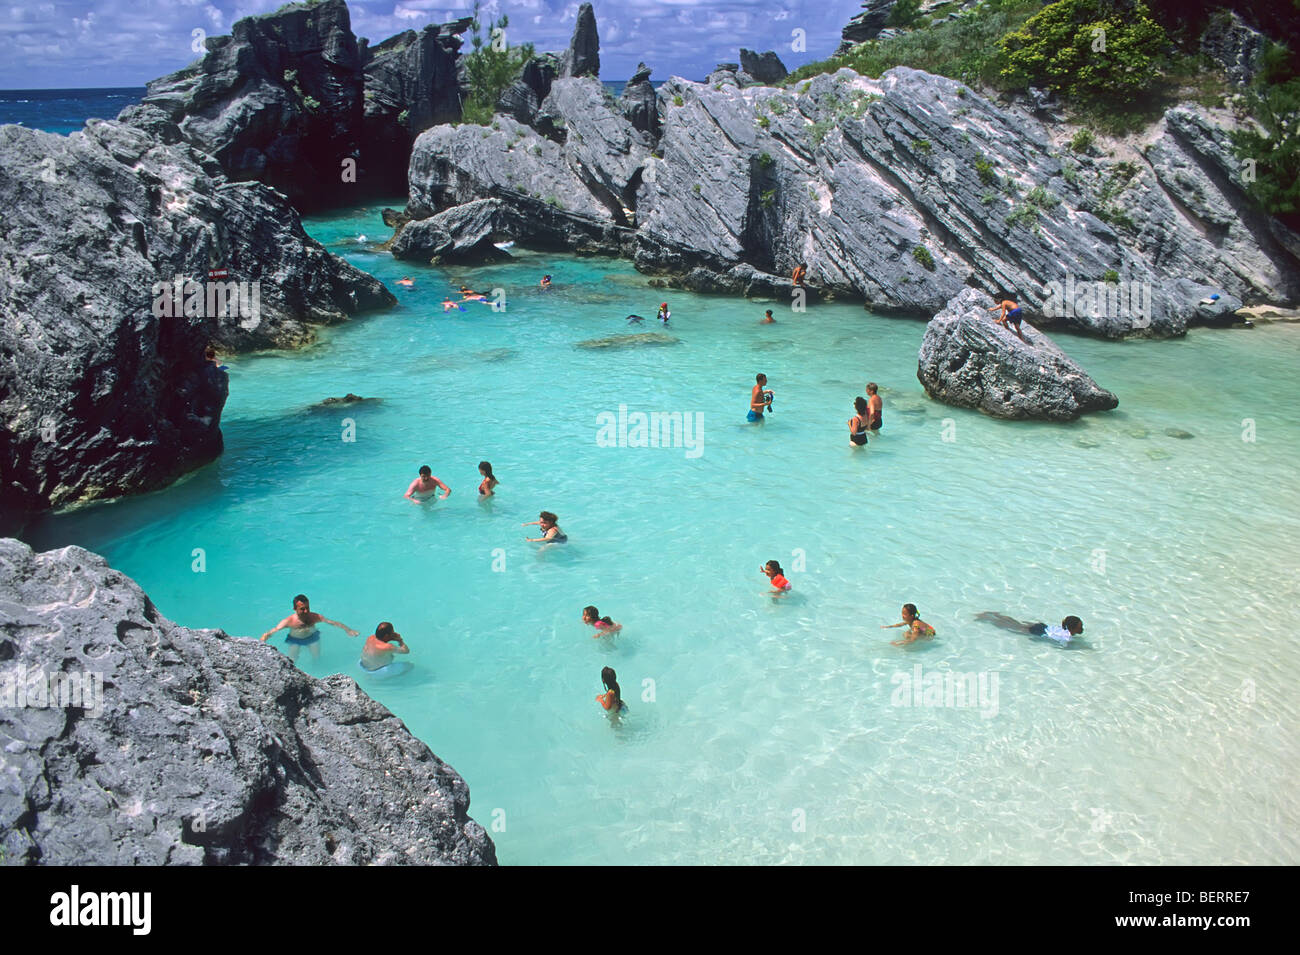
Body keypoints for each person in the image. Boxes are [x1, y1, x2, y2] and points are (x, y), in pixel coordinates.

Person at [259, 594, 359, 662]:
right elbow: (273, 631)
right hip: (295, 640)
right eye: (302, 609)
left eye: (307, 608)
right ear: (295, 609)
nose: (306, 611)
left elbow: (332, 623)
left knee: (316, 658)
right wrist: (262, 641)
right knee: (292, 660)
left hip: (312, 638)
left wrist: (348, 630)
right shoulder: (289, 621)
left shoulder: (315, 617)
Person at [975, 612, 1084, 647]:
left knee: (1016, 624)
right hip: (1039, 631)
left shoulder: (1063, 629)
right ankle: (990, 619)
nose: (1082, 628)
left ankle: (995, 615)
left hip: (1042, 626)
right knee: (1012, 627)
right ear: (1072, 628)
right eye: (1080, 626)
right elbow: (1059, 646)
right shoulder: (1066, 638)